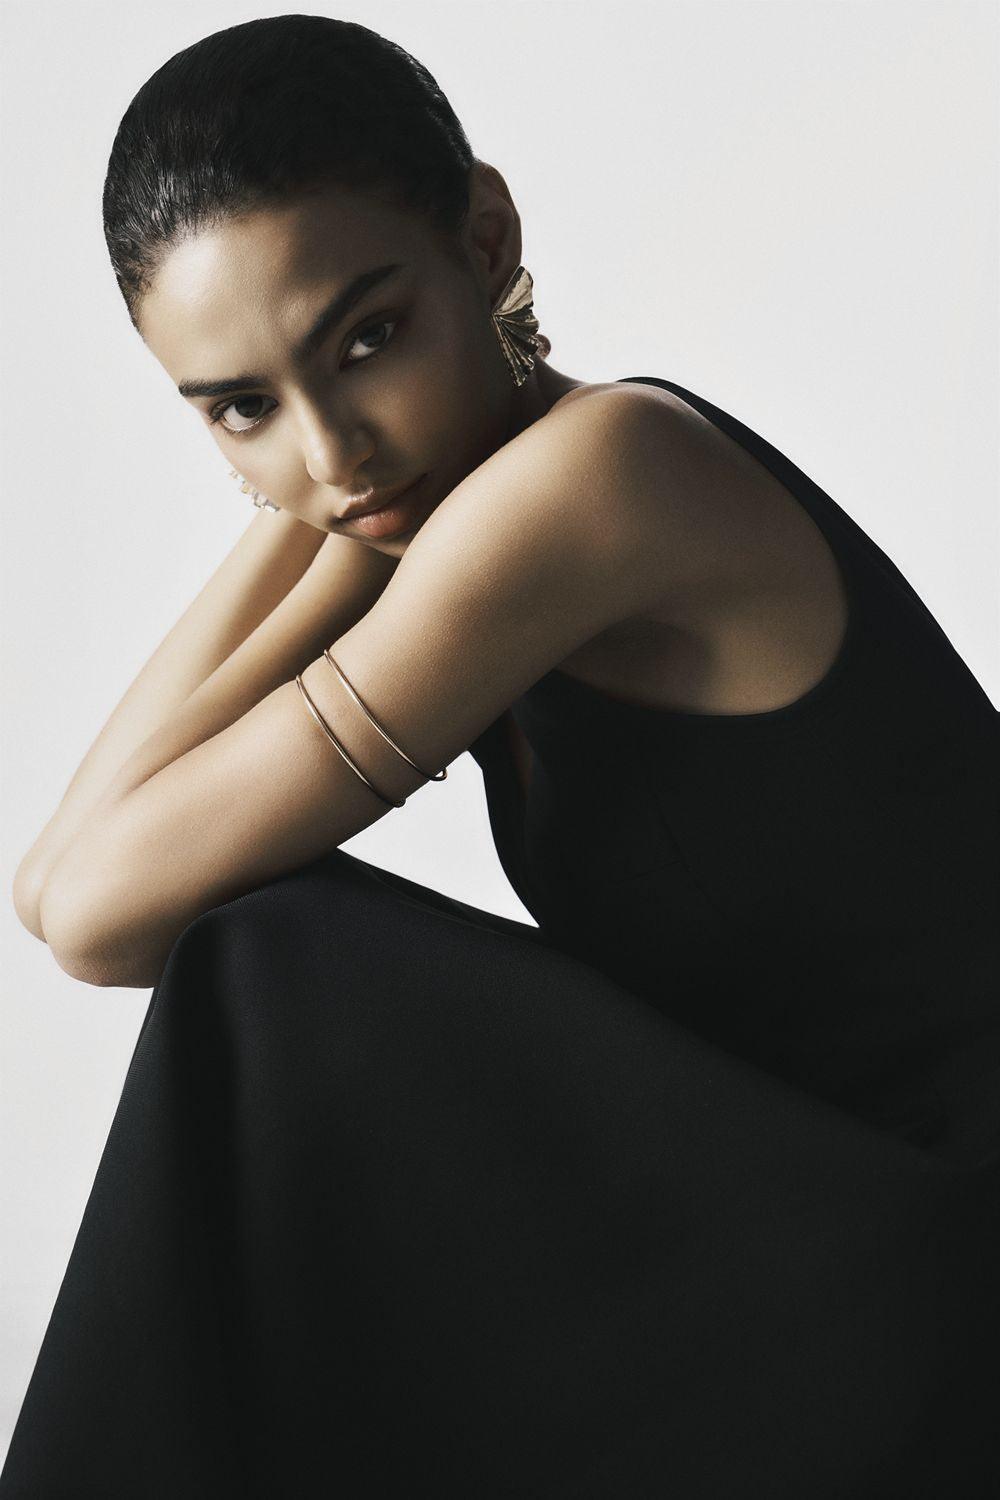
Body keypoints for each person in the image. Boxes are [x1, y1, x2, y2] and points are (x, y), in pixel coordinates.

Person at [4, 14, 999, 1497]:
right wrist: (330, 509)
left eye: (367, 339)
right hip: (795, 1231)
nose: (332, 447)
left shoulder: (604, 477)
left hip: (938, 1258)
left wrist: (323, 502)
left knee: (272, 963)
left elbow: (99, 919)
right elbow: (56, 883)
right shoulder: (426, 502)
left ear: (484, 239)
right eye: (242, 406)